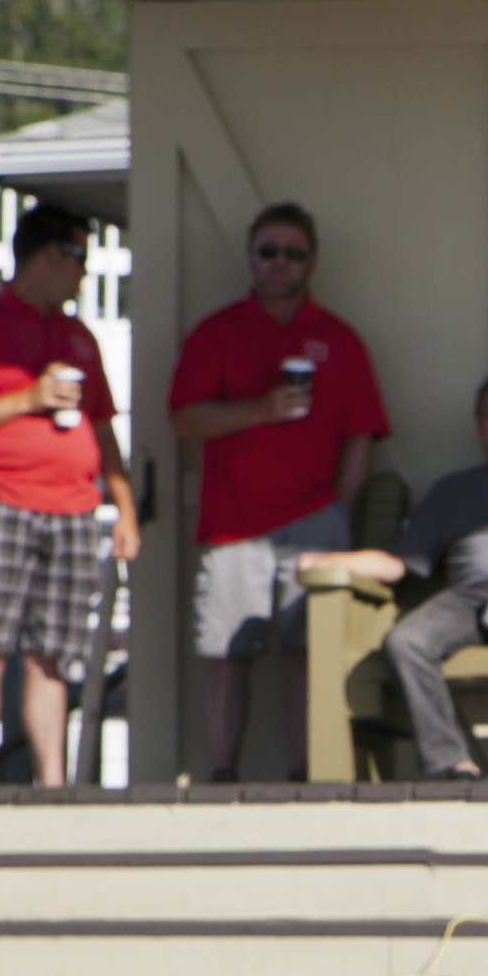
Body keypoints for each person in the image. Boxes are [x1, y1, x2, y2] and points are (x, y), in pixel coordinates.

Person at [169, 201, 391, 782]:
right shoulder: (217, 332)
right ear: (250, 256)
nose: (280, 263)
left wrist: (338, 509)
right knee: (227, 655)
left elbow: (362, 435)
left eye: (293, 253)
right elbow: (184, 420)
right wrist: (261, 410)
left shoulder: (339, 339)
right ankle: (223, 776)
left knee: (310, 656)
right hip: (234, 522)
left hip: (316, 519)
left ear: (311, 262)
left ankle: (305, 778)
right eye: (269, 251)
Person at [0, 200, 139, 787]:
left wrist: (123, 507)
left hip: (72, 507)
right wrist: (28, 398)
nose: (84, 272)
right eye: (79, 258)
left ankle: (52, 781)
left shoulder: (78, 336)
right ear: (49, 255)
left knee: (52, 653)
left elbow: (103, 428)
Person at [311, 374, 488, 779]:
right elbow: (399, 562)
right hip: (470, 596)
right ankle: (453, 765)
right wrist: (329, 561)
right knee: (405, 642)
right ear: (478, 424)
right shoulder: (453, 489)